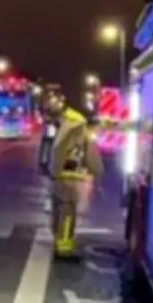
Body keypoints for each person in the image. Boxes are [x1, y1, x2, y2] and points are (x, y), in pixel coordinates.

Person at [48, 103, 104, 259]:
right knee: (68, 214)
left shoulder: (67, 126)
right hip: (71, 179)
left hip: (60, 178)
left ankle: (59, 243)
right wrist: (98, 173)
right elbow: (91, 157)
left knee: (59, 212)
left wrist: (54, 171)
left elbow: (56, 151)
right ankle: (64, 250)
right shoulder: (80, 129)